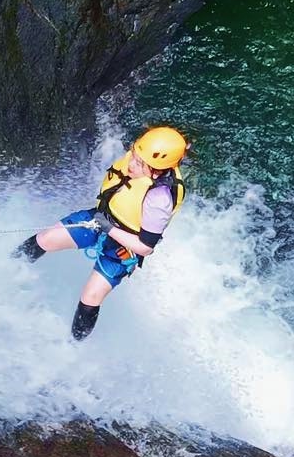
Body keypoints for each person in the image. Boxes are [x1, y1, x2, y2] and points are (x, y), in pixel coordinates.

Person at [13, 126, 187, 340]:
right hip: (100, 219)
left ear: (157, 171)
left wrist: (109, 228)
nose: (131, 164)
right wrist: (104, 223)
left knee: (91, 295)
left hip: (124, 246)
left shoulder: (159, 200)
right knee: (46, 239)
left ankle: (73, 345)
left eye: (139, 163)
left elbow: (145, 247)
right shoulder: (140, 157)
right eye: (134, 155)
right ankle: (8, 270)